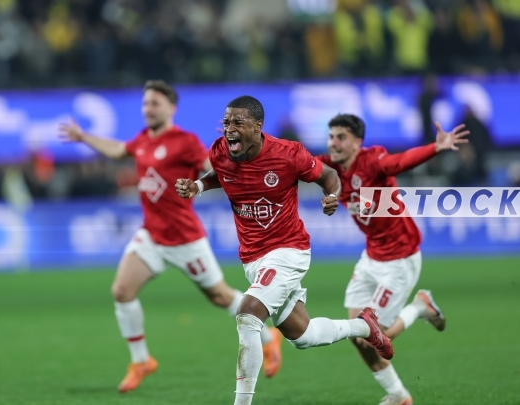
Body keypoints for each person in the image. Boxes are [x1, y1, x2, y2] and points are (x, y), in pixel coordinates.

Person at [59, 81, 283, 393]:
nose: (148, 109)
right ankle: (141, 361)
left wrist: (242, 162)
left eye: (155, 103)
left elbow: (213, 167)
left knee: (219, 296)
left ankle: (269, 337)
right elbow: (119, 150)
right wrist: (84, 137)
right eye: (145, 103)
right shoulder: (142, 140)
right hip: (151, 235)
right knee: (122, 290)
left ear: (171, 108)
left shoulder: (184, 142)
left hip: (184, 238)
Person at [175, 95, 394, 405]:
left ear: (258, 126)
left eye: (238, 122)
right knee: (302, 336)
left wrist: (332, 196)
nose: (229, 129)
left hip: (288, 250)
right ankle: (363, 326)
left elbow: (329, 176)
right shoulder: (220, 151)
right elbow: (221, 174)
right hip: (252, 257)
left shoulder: (288, 154)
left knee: (248, 314)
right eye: (226, 122)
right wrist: (198, 186)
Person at [316, 114, 469, 405]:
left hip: (400, 258)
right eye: (331, 136)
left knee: (370, 336)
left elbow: (399, 162)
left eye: (341, 137)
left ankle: (419, 307)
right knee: (357, 336)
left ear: (357, 142)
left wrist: (435, 148)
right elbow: (292, 160)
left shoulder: (372, 161)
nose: (333, 142)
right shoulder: (329, 166)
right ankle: (398, 395)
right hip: (371, 256)